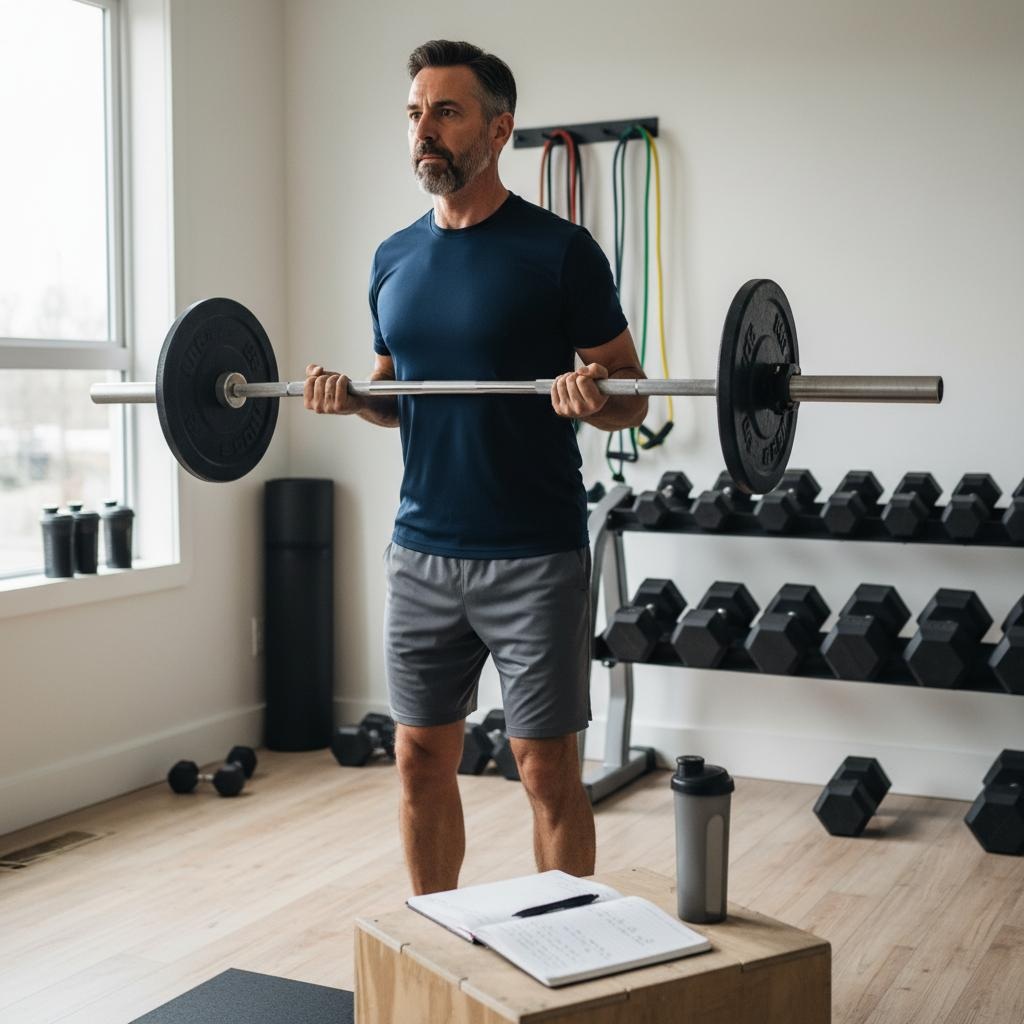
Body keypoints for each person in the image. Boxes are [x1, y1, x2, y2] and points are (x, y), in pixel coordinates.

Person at [304, 39, 647, 895]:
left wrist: (591, 397)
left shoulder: (561, 252)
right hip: (422, 549)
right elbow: (396, 395)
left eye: (446, 112)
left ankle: (567, 954)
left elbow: (633, 396)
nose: (426, 130)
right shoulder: (392, 258)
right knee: (419, 757)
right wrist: (353, 399)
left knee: (543, 768)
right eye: (416, 112)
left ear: (499, 131)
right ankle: (437, 943)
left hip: (534, 551)